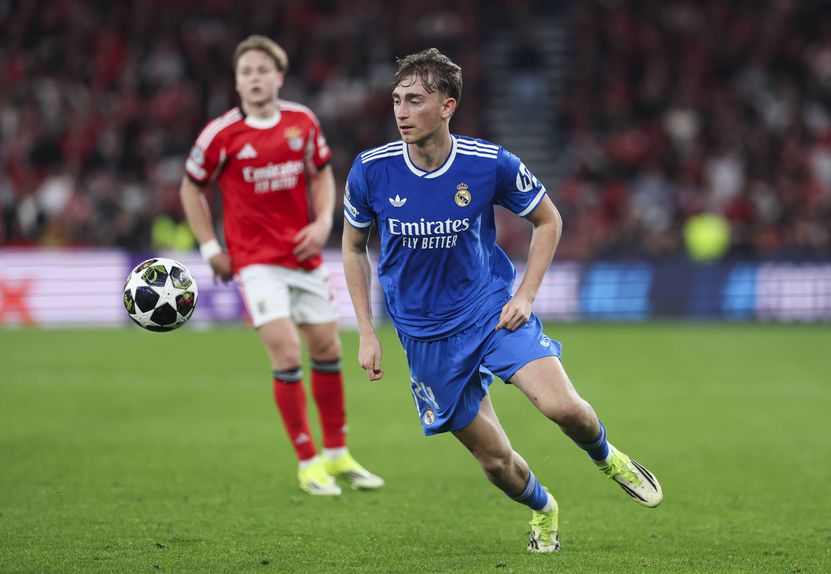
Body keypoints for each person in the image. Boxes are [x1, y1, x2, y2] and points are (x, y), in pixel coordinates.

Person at [341, 48, 661, 552]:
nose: (401, 111)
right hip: (424, 337)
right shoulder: (370, 171)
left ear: (447, 106)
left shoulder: (488, 163)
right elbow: (354, 247)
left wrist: (526, 295)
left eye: (415, 100)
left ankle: (607, 457)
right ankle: (543, 508)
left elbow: (549, 220)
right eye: (397, 99)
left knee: (563, 408)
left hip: (490, 312)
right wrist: (365, 331)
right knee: (495, 462)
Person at [179, 35, 382, 496]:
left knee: (328, 350)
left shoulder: (302, 122)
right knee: (287, 353)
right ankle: (308, 462)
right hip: (254, 262)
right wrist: (210, 247)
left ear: (279, 77)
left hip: (304, 255)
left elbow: (323, 172)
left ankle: (337, 455)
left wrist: (323, 221)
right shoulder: (220, 135)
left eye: (262, 70)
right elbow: (191, 188)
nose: (254, 78)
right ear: (237, 82)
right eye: (246, 71)